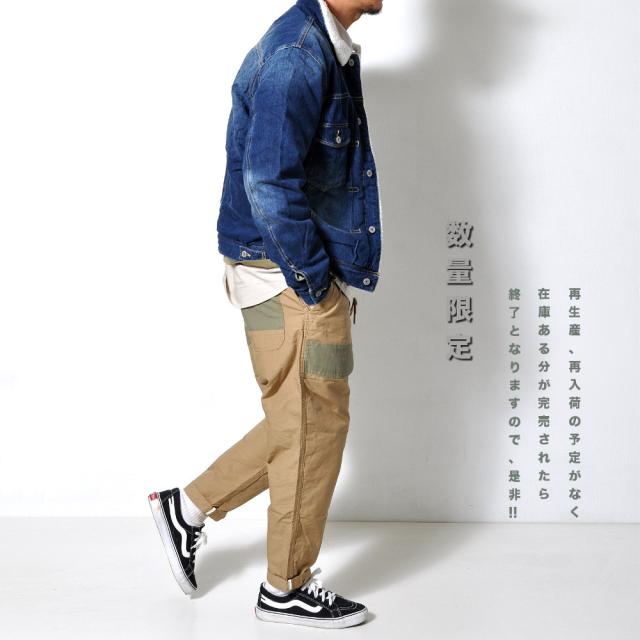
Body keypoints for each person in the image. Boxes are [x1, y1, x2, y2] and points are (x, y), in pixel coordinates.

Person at [148, 0, 383, 628]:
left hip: (278, 273)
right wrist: (315, 284)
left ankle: (186, 508)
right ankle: (286, 587)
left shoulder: (318, 45)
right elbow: (267, 181)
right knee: (313, 425)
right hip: (286, 278)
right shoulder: (298, 54)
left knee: (303, 420)